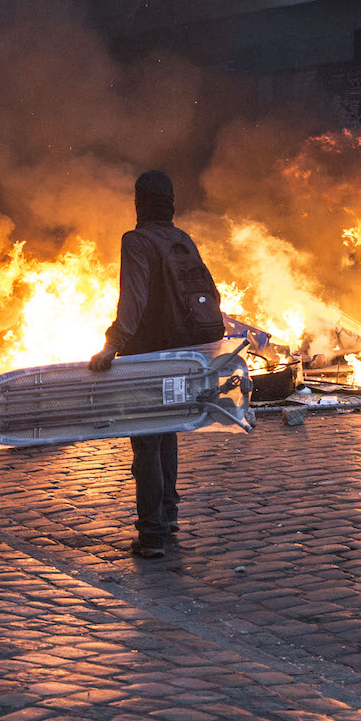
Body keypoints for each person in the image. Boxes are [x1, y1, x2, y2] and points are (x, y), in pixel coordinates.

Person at [89, 170, 224, 559]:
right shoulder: (183, 239)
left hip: (148, 357)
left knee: (147, 440)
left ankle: (151, 534)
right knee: (167, 433)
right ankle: (169, 513)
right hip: (185, 356)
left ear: (139, 202)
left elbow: (133, 299)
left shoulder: (137, 241)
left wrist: (112, 345)